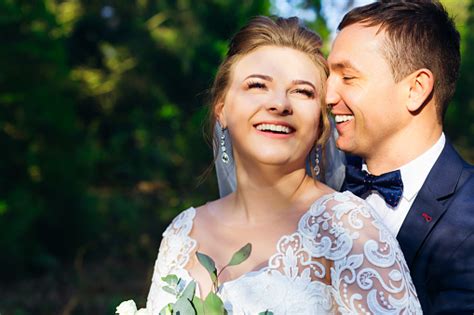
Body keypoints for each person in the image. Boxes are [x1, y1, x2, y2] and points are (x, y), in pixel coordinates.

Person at [146, 16, 421, 314]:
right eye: (257, 85)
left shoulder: (350, 229)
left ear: (320, 124)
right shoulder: (182, 233)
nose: (279, 104)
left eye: (302, 92)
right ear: (222, 110)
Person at [326, 1, 474, 313]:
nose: (328, 96)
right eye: (329, 76)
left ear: (416, 89)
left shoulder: (469, 217)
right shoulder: (319, 187)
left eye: (347, 77)